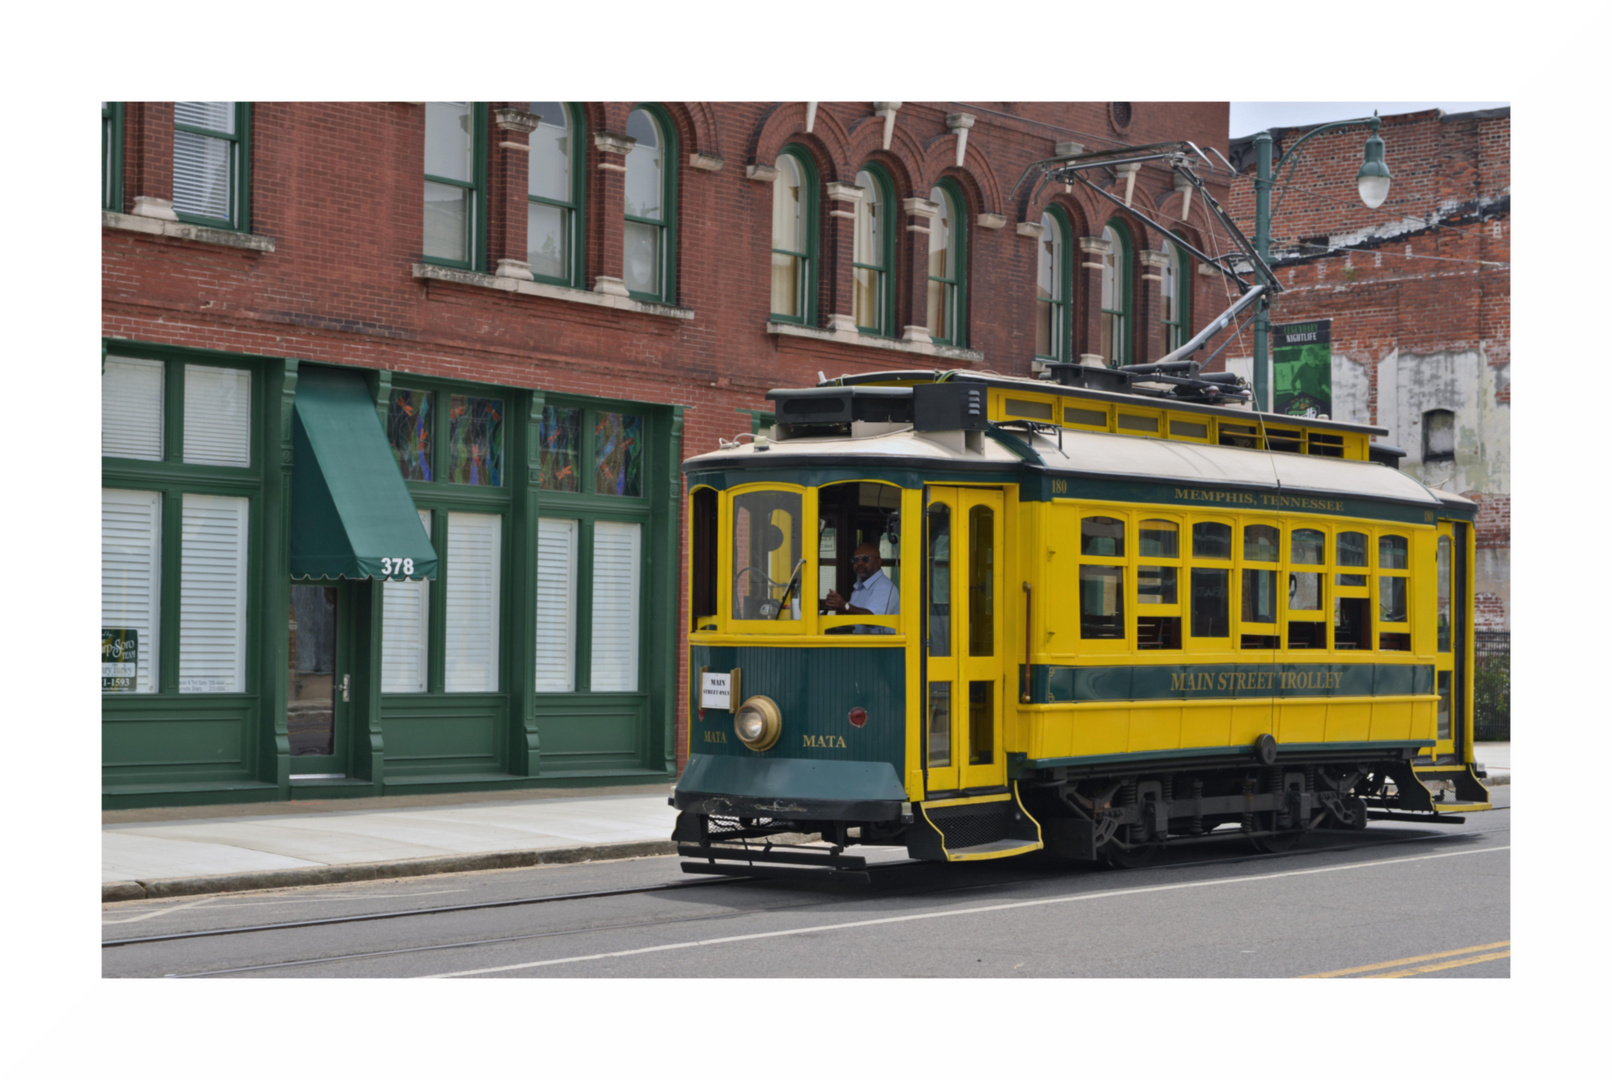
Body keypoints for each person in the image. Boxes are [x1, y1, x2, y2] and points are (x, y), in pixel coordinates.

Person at [823, 543, 899, 633]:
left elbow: (874, 619)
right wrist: (839, 607)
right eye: (855, 560)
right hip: (860, 645)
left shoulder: (884, 587)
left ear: (879, 562)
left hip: (878, 646)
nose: (859, 563)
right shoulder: (859, 588)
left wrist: (845, 606)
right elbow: (853, 618)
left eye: (865, 559)